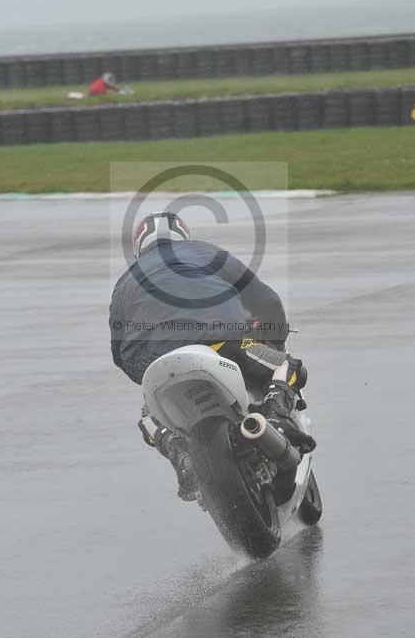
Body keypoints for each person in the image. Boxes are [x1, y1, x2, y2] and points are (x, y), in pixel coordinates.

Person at [109, 212, 315, 501]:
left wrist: (145, 370)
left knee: (148, 417)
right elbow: (265, 300)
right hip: (219, 340)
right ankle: (278, 417)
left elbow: (118, 352)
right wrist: (273, 340)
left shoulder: (125, 280)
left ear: (139, 245)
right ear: (182, 235)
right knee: (287, 367)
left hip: (153, 362)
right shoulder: (202, 251)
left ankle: (179, 452)